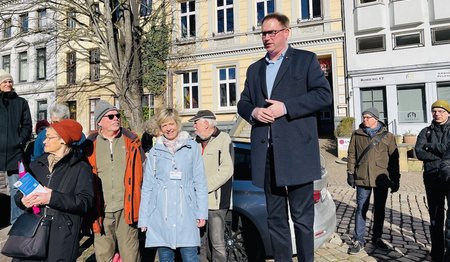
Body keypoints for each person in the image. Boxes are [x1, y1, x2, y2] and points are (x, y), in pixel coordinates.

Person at [237, 12, 332, 262]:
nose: (267, 38)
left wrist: (286, 107)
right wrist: (255, 111)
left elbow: (324, 95)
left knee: (302, 219)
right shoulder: (255, 69)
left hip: (297, 153)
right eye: (264, 33)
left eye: (272, 32)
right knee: (275, 218)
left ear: (286, 33)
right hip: (266, 154)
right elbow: (243, 103)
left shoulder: (305, 60)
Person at [15, 119, 94, 261]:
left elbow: (85, 202)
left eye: (49, 137)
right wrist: (22, 200)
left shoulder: (81, 168)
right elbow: (20, 193)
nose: (44, 141)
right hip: (32, 234)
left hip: (61, 237)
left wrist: (52, 198)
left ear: (63, 140)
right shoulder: (36, 164)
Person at [138, 108, 208, 262]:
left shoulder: (192, 148)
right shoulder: (155, 152)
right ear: (160, 128)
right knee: (166, 257)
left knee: (190, 257)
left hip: (187, 215)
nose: (168, 128)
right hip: (161, 216)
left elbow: (200, 182)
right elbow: (147, 188)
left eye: (171, 124)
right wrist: (143, 218)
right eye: (164, 125)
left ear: (177, 124)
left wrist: (202, 213)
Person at [83, 99, 144, 262]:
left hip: (127, 209)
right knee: (104, 255)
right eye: (110, 117)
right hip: (100, 210)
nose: (116, 118)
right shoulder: (90, 145)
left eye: (117, 115)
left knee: (131, 255)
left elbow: (142, 174)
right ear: (99, 122)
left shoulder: (131, 142)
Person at [346, 107, 400, 254]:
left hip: (380, 178)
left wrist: (396, 179)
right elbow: (351, 154)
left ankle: (377, 237)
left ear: (376, 119)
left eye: (368, 117)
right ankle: (359, 240)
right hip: (362, 177)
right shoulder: (357, 134)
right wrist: (350, 173)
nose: (365, 119)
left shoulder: (388, 136)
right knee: (361, 209)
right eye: (363, 117)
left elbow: (394, 159)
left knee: (380, 209)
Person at [189, 110, 233, 262]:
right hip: (197, 202)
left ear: (206, 123)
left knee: (217, 244)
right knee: (200, 243)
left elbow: (227, 170)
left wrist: (204, 187)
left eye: (196, 123)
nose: (194, 126)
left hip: (216, 203)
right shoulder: (195, 142)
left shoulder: (224, 139)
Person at [415, 99, 450, 262]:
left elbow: (446, 150)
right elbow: (419, 152)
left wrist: (431, 147)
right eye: (434, 111)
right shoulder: (425, 132)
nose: (437, 114)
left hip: (449, 178)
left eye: (441, 111)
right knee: (435, 217)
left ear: (448, 113)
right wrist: (441, 151)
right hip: (432, 178)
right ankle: (436, 252)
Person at [0, 69, 32, 224]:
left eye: (10, 81)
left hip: (15, 152)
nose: (8, 84)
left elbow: (27, 125)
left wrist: (20, 141)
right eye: (4, 81)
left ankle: (17, 221)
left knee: (17, 187)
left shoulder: (21, 103)